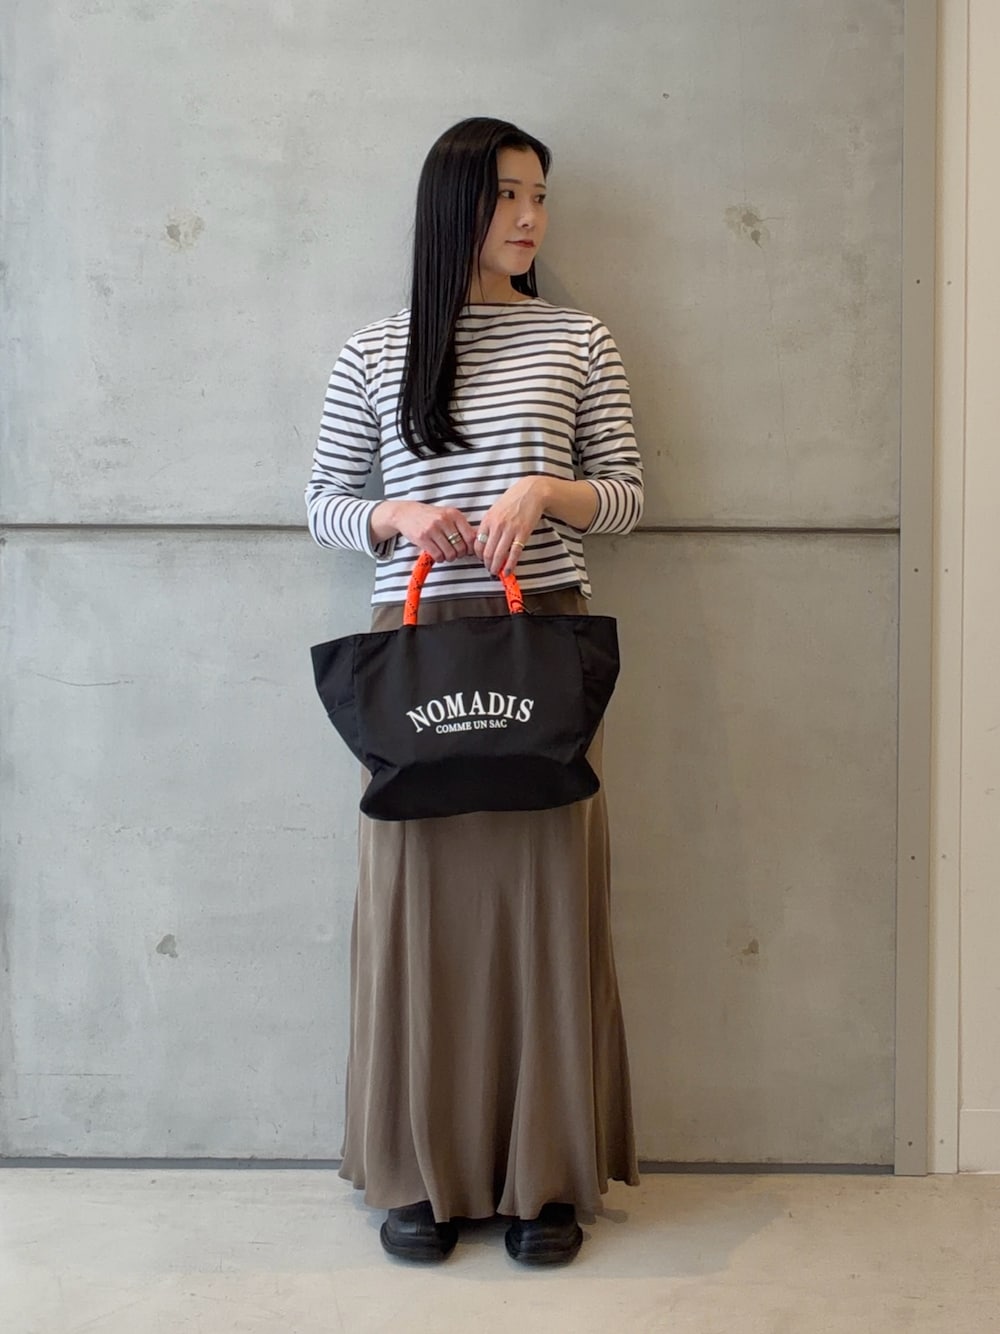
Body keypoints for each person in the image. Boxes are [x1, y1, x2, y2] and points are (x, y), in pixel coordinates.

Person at [304, 116, 643, 1266]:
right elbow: (323, 500)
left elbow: (627, 493)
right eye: (507, 194)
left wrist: (544, 490)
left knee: (546, 906)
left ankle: (543, 1181)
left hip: (540, 642)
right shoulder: (376, 348)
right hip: (417, 651)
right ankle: (421, 1175)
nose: (530, 216)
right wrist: (395, 514)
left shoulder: (577, 338)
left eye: (538, 194)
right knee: (418, 912)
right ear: (454, 202)